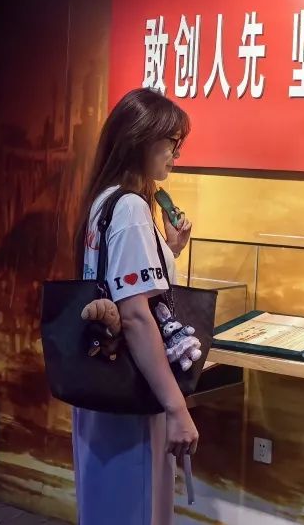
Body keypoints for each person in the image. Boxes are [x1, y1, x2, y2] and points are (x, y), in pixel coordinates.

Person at [71, 88, 198, 525]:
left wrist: (169, 249)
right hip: (131, 389)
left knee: (104, 504)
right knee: (135, 508)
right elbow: (136, 315)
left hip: (99, 378)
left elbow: (121, 286)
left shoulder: (104, 200)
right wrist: (176, 408)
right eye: (172, 142)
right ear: (142, 139)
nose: (176, 155)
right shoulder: (129, 208)